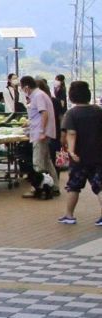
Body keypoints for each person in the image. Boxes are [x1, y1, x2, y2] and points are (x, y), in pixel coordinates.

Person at [58, 81, 102, 226]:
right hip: (98, 156)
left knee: (74, 186)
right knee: (99, 186)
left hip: (78, 158)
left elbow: (71, 133)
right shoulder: (98, 111)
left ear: (71, 96)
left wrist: (70, 150)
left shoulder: (71, 113)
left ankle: (69, 215)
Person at [20, 76, 60, 198]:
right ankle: (55, 186)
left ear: (26, 87)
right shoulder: (41, 95)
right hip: (40, 132)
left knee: (38, 163)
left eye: (22, 88)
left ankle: (37, 188)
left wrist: (42, 131)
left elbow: (44, 114)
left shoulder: (38, 96)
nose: (22, 90)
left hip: (40, 134)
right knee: (47, 161)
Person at [38, 79, 64, 179]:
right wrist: (62, 133)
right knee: (53, 159)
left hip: (47, 134)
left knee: (46, 160)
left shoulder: (42, 102)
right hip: (56, 133)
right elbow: (61, 118)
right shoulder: (55, 101)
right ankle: (55, 182)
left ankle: (48, 182)